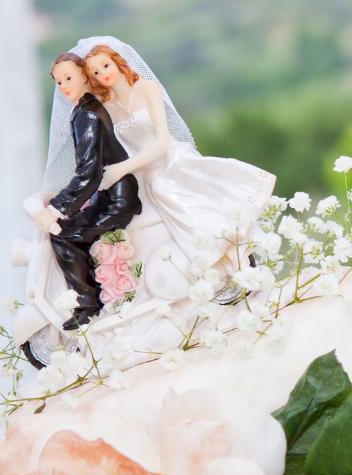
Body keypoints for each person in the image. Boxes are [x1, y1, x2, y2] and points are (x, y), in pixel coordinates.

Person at [74, 38, 275, 302]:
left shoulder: (146, 89)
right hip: (142, 171)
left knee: (163, 188)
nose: (104, 73)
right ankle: (204, 274)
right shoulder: (107, 108)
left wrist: (122, 168)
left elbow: (162, 141)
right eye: (96, 73)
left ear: (117, 61)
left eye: (105, 65)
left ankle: (227, 254)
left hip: (167, 159)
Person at [36, 53, 142, 330]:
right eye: (58, 82)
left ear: (85, 75)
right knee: (65, 227)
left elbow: (89, 172)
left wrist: (58, 208)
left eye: (68, 78)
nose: (64, 86)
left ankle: (89, 303)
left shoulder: (87, 115)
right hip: (111, 192)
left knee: (62, 235)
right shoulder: (85, 109)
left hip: (117, 199)